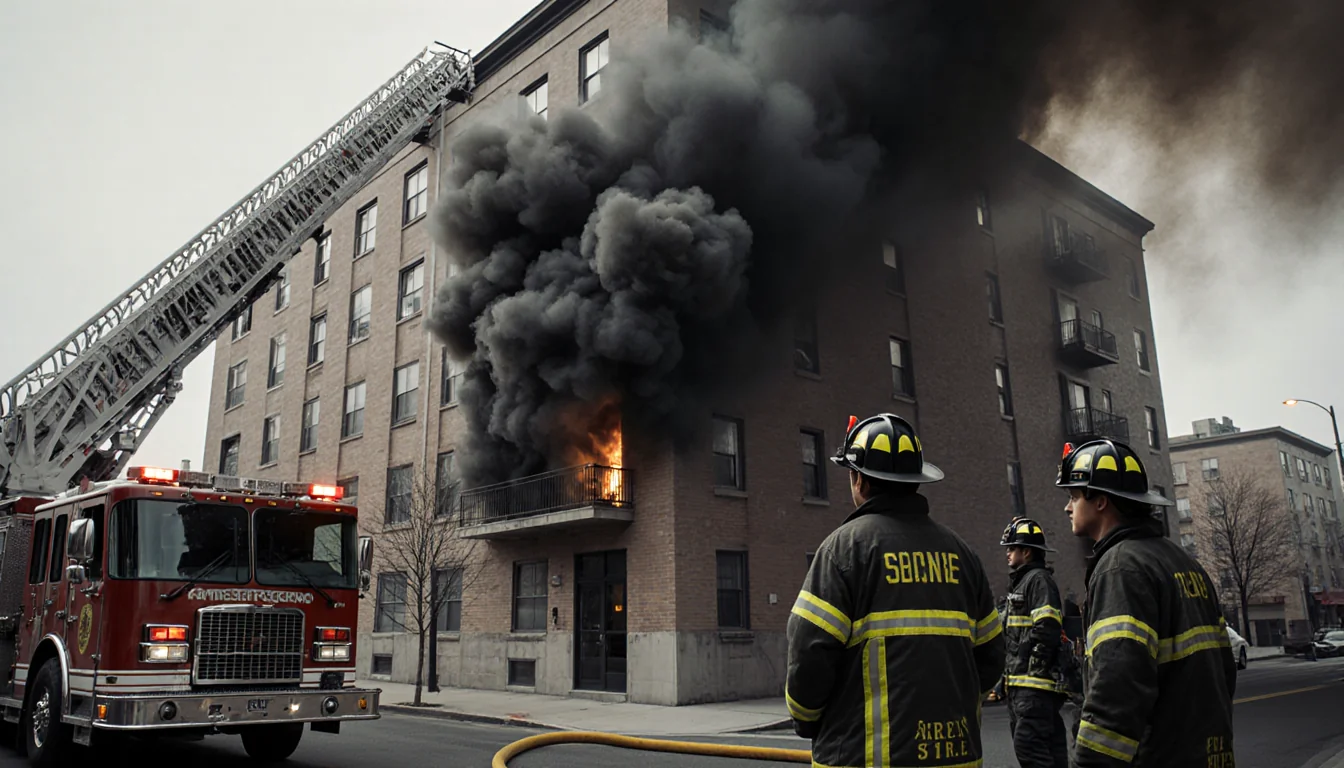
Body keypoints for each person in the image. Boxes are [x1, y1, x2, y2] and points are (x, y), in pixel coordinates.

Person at [785, 413, 1006, 767]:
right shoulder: (963, 555)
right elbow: (992, 653)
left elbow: (809, 651)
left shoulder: (843, 551)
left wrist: (806, 719)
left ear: (858, 480)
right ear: (914, 481)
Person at [1057, 439, 1237, 766]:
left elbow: (1117, 685)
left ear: (1100, 501)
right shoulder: (1183, 562)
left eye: (1073, 496)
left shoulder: (1121, 568)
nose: (1068, 508)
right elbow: (1225, 671)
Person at [999, 516, 1069, 768]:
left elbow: (1047, 625)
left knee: (1029, 747)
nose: (1007, 554)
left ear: (1026, 552)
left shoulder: (1038, 580)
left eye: (1011, 548)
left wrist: (1036, 666)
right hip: (1021, 686)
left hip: (1034, 687)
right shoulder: (1023, 582)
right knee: (1047, 749)